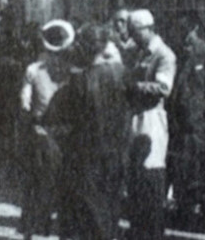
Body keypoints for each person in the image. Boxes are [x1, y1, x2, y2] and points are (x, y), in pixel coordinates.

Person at [46, 24, 132, 240]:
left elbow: (53, 117)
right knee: (109, 215)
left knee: (85, 220)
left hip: (85, 160)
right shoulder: (122, 73)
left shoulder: (79, 81)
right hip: (116, 157)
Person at [18, 19, 75, 239]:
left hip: (40, 133)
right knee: (63, 188)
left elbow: (24, 104)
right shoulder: (72, 71)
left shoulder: (33, 70)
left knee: (37, 185)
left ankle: (33, 229)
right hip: (66, 135)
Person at [126, 9, 177, 240]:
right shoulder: (138, 52)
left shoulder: (163, 55)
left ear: (147, 29)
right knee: (136, 178)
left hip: (152, 120)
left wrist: (133, 86)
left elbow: (163, 88)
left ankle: (153, 232)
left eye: (135, 32)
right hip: (136, 118)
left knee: (151, 176)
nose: (132, 36)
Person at [166, 11, 205, 225]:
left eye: (187, 29)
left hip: (198, 124)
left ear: (196, 28)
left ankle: (199, 211)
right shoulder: (176, 53)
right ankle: (182, 208)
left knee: (197, 166)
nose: (183, 34)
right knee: (180, 165)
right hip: (178, 122)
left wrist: (204, 112)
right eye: (180, 28)